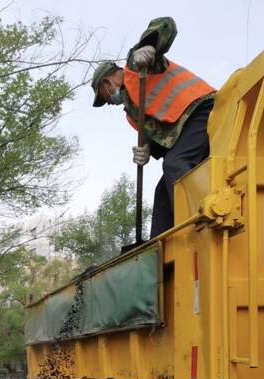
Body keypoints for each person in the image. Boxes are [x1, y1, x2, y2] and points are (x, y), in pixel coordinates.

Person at [91, 16, 216, 238]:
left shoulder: (136, 67)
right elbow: (164, 137)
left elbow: (166, 24)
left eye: (104, 96)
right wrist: (147, 150)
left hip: (201, 108)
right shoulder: (131, 112)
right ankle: (163, 247)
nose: (109, 101)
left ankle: (201, 219)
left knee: (175, 164)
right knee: (162, 193)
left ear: (107, 83)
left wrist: (148, 46)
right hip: (186, 128)